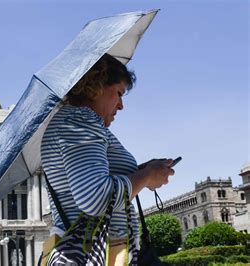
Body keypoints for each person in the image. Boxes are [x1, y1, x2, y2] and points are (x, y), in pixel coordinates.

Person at [40, 53, 174, 265]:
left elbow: (93, 179)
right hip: (97, 255)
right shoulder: (80, 120)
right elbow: (95, 198)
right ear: (97, 85)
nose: (121, 105)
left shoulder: (74, 122)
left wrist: (143, 171)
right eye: (119, 93)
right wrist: (147, 176)